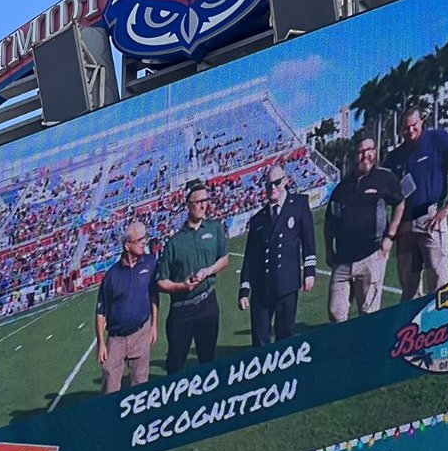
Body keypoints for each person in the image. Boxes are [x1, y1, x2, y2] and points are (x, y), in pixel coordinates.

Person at [385, 106, 448, 299]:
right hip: (405, 226)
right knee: (408, 285)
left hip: (429, 219)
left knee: (440, 281)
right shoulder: (395, 156)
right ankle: (414, 318)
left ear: (421, 121)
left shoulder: (437, 139)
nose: (410, 131)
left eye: (414, 125)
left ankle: (444, 317)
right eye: (405, 128)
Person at [324, 137, 405, 321]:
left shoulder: (384, 178)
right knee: (336, 313)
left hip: (371, 256)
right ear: (355, 156)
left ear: (375, 152)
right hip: (343, 261)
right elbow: (330, 221)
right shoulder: (341, 188)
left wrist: (390, 236)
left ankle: (368, 340)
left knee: (368, 314)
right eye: (361, 152)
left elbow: (400, 203)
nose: (365, 155)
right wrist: (329, 249)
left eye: (369, 150)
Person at [238, 165, 316, 346]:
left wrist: (310, 271)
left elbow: (308, 240)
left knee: (285, 337)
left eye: (277, 183)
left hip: (286, 283)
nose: (273, 188)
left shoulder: (298, 205)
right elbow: (250, 257)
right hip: (262, 288)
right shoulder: (258, 219)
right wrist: (244, 289)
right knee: (260, 341)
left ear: (286, 181)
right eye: (268, 185)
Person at [157, 180, 229, 372]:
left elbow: (224, 258)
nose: (203, 205)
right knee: (176, 365)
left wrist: (208, 270)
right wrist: (181, 286)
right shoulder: (174, 242)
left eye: (205, 200)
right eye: (198, 202)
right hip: (182, 309)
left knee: (208, 360)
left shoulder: (214, 228)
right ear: (188, 205)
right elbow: (161, 281)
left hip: (208, 303)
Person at [94, 220, 158, 394]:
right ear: (127, 245)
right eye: (140, 240)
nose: (144, 242)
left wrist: (154, 325)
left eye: (145, 238)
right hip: (116, 340)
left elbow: (154, 295)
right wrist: (101, 343)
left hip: (141, 333)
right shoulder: (111, 276)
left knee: (141, 386)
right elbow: (100, 312)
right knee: (110, 389)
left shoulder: (150, 263)